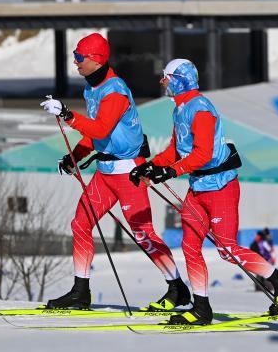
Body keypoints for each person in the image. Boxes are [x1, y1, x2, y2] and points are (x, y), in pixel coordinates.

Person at [130, 58, 278, 325]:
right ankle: (201, 308)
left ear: (180, 81)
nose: (162, 81)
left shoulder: (200, 109)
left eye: (166, 77)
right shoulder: (180, 109)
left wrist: (170, 172)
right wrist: (150, 166)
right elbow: (176, 149)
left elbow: (203, 154)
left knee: (227, 250)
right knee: (190, 246)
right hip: (198, 188)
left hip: (220, 187)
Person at [39, 33, 186, 311]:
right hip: (105, 171)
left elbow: (101, 129)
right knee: (80, 224)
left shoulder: (115, 90)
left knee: (142, 234)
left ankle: (177, 288)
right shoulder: (92, 88)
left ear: (96, 60)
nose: (75, 62)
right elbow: (95, 136)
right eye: (75, 56)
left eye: (79, 57)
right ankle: (80, 291)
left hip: (128, 172)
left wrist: (67, 115)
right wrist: (75, 157)